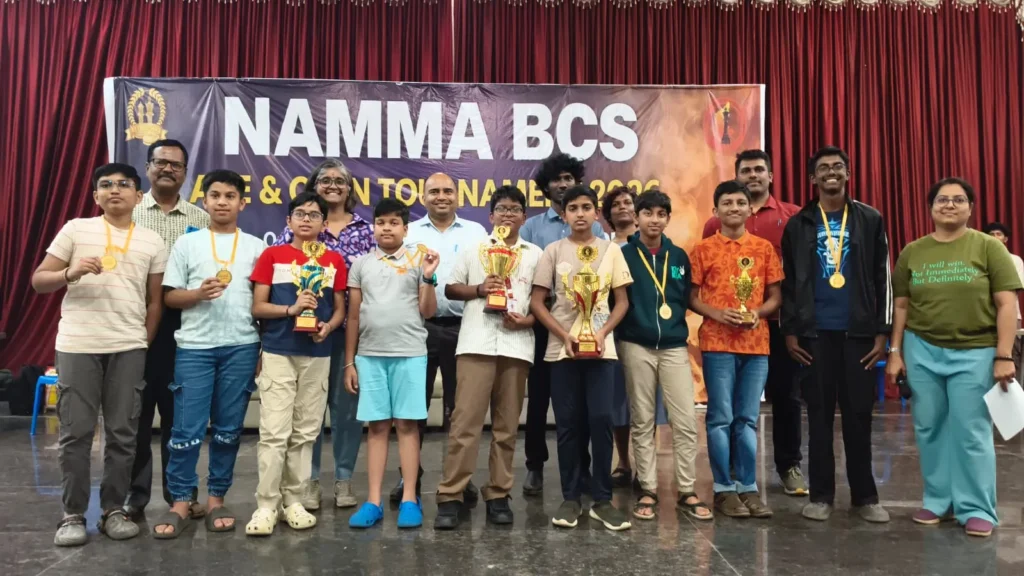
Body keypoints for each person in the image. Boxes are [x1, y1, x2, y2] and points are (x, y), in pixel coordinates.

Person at [32, 163, 167, 546]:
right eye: (106, 185)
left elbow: (154, 302)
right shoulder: (76, 229)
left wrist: (142, 341)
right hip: (78, 344)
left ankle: (113, 510)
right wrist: (69, 273)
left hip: (128, 347)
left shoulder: (152, 241)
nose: (114, 190)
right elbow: (39, 280)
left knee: (123, 435)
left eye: (124, 184)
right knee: (75, 434)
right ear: (95, 196)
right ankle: (72, 515)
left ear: (138, 196)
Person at [887, 179, 1021, 538]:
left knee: (970, 429)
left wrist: (1003, 355)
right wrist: (895, 352)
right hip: (922, 348)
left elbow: (1007, 304)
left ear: (970, 208)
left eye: (958, 200)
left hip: (976, 351)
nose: (949, 205)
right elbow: (902, 306)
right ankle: (938, 501)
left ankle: (977, 508)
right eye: (942, 199)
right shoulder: (913, 251)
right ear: (930, 207)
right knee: (929, 427)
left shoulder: (989, 247)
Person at [781, 146, 891, 523]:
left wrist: (882, 332)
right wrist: (790, 331)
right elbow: (789, 283)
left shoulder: (869, 218)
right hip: (814, 336)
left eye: (838, 166)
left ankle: (865, 497)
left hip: (859, 334)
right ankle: (821, 496)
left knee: (859, 416)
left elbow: (883, 277)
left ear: (848, 173)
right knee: (819, 416)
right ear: (812, 178)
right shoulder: (799, 224)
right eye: (824, 167)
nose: (832, 172)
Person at [151, 170, 264, 538]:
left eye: (230, 196)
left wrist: (261, 347)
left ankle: (217, 499)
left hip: (242, 346)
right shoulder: (188, 243)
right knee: (186, 430)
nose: (222, 202)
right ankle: (181, 502)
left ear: (242, 203)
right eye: (215, 195)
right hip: (195, 348)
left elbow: (262, 303)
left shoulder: (256, 248)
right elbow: (170, 297)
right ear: (205, 201)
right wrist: (197, 294)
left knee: (229, 430)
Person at [434, 186, 542, 529]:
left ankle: (498, 494)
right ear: (491, 216)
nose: (508, 214)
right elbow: (451, 288)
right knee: (464, 425)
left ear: (524, 217)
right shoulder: (474, 248)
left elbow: (544, 302)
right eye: (502, 209)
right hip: (475, 344)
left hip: (516, 345)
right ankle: (451, 495)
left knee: (506, 428)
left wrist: (527, 320)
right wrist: (480, 289)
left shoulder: (536, 254)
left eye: (515, 209)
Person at [701, 149, 805, 496]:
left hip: (776, 323)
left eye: (759, 169)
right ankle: (731, 469)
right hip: (727, 328)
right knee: (729, 402)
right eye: (746, 170)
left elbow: (797, 274)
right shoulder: (714, 225)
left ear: (770, 176)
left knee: (786, 396)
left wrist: (778, 316)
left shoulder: (792, 216)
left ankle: (788, 465)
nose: (753, 175)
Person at [273, 159, 375, 511]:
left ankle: (343, 478)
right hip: (305, 334)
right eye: (325, 180)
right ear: (314, 186)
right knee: (308, 410)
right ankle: (309, 480)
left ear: (349, 189)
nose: (333, 185)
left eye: (340, 180)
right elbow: (280, 273)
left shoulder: (366, 230)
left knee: (347, 410)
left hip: (350, 333)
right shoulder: (296, 227)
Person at [530, 185, 633, 531]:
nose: (579, 213)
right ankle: (571, 497)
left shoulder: (611, 251)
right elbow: (537, 303)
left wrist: (601, 333)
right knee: (568, 425)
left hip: (602, 351)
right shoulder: (553, 251)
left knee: (601, 420)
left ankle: (602, 499)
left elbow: (622, 302)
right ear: (564, 214)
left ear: (596, 213)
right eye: (572, 208)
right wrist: (564, 335)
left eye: (586, 207)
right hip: (562, 352)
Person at [245, 192, 347, 536]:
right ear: (288, 221)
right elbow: (258, 307)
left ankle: (294, 501)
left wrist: (328, 327)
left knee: (305, 433)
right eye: (300, 214)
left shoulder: (333, 260)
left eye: (314, 215)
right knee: (274, 432)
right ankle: (266, 505)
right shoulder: (272, 256)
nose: (307, 219)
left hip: (318, 354)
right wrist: (291, 309)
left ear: (324, 223)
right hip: (278, 351)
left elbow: (339, 309)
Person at [616, 189, 712, 521]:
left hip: (673, 346)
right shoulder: (623, 256)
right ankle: (648, 489)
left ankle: (686, 489)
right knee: (642, 419)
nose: (654, 220)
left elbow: (684, 299)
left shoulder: (679, 257)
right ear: (636, 217)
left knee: (684, 418)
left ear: (668, 218)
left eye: (661, 214)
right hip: (635, 344)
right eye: (647, 213)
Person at [345, 199, 440, 530]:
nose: (386, 228)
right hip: (370, 356)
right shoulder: (361, 265)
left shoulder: (419, 261)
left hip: (410, 353)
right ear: (373, 227)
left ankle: (410, 498)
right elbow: (353, 316)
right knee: (377, 427)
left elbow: (428, 311)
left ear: (405, 228)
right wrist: (349, 362)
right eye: (381, 222)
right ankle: (373, 501)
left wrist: (428, 277)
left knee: (408, 426)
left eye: (394, 222)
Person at [127, 139, 210, 520]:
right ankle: (134, 497)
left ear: (185, 173)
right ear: (147, 167)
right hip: (134, 323)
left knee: (181, 418)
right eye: (160, 162)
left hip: (185, 327)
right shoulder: (129, 214)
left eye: (176, 165)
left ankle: (182, 493)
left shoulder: (201, 218)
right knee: (137, 416)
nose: (167, 169)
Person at [689, 181, 782, 519]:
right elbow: (691, 297)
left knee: (747, 419)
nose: (734, 208)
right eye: (726, 203)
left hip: (756, 345)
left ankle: (748, 486)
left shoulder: (764, 249)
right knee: (720, 418)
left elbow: (775, 297)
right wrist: (716, 313)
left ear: (749, 209)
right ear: (715, 210)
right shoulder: (703, 250)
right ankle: (723, 488)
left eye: (740, 202)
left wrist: (757, 312)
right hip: (717, 343)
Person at [520, 153, 606, 496]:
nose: (562, 184)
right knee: (538, 399)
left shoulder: (595, 228)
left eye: (568, 178)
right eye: (556, 179)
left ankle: (582, 467)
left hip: (582, 323)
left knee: (580, 402)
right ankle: (535, 466)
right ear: (546, 186)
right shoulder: (531, 228)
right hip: (541, 323)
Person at [400, 172, 487, 503]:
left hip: (464, 328)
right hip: (416, 329)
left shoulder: (476, 233)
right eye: (434, 191)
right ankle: (409, 477)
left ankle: (458, 477)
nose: (441, 196)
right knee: (413, 407)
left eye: (447, 191)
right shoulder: (409, 233)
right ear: (423, 197)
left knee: (459, 410)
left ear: (458, 197)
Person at [981, 222, 1024, 383]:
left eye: (998, 234)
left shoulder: (1015, 260)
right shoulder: (980, 260)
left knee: (1011, 358)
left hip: (1010, 315)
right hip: (983, 316)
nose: (995, 237)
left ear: (1005, 239)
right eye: (991, 234)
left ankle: (1015, 395)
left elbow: (1015, 287)